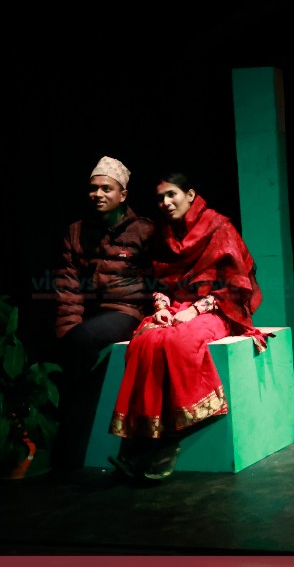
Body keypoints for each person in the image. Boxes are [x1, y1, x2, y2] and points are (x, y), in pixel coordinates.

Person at [107, 173, 267, 481]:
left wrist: (195, 309)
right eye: (160, 198)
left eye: (172, 195)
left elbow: (236, 287)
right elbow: (159, 281)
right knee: (144, 341)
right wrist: (162, 308)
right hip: (178, 308)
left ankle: (171, 439)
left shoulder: (219, 227)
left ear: (190, 194)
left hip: (220, 309)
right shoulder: (163, 234)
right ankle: (139, 441)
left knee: (179, 342)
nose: (165, 203)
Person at [52, 156, 156, 470]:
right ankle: (71, 449)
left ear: (123, 194)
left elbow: (159, 280)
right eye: (93, 188)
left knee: (82, 343)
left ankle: (72, 452)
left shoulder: (143, 230)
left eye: (106, 189)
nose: (97, 194)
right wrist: (68, 329)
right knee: (73, 345)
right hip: (91, 315)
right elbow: (68, 286)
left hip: (128, 311)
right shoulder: (76, 231)